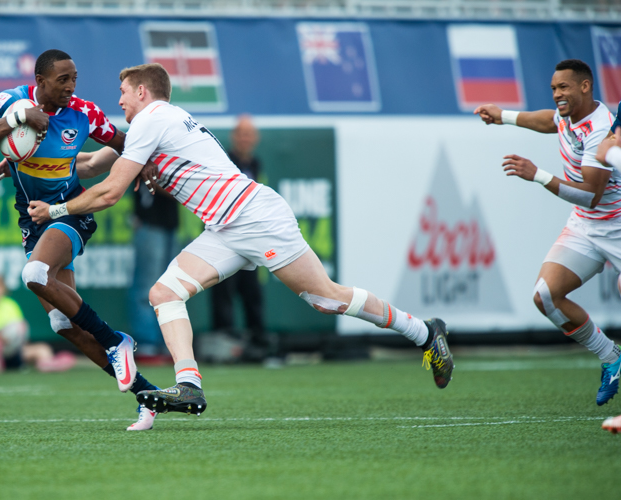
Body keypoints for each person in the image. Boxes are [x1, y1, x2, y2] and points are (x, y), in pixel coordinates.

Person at [27, 63, 453, 416]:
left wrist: (56, 211)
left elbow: (109, 191)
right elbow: (85, 165)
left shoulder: (153, 118)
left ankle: (423, 330)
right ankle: (189, 386)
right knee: (164, 294)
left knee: (326, 299)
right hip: (226, 228)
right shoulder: (152, 124)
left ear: (142, 91)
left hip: (255, 218)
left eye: (122, 92)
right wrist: (22, 162)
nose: (117, 101)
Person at [0, 49, 161, 430]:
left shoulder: (83, 113)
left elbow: (122, 141)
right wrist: (16, 119)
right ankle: (146, 396)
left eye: (74, 79)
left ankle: (116, 341)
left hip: (70, 212)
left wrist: (145, 164)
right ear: (39, 82)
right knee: (64, 324)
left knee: (35, 273)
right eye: (62, 80)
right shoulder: (12, 101)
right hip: (33, 219)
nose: (70, 87)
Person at [475, 59, 621, 406]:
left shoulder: (600, 128)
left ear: (585, 86)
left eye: (564, 88)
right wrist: (504, 116)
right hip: (585, 225)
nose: (557, 94)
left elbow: (590, 193)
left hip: (616, 225)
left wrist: (537, 174)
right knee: (545, 296)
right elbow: (548, 120)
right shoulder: (568, 115)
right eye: (554, 88)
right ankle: (612, 358)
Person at [210, 115, 269, 360]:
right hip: (225, 234)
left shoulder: (256, 163)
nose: (245, 139)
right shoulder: (225, 161)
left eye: (249, 134)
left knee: (251, 289)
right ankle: (225, 340)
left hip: (250, 238)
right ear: (234, 137)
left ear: (255, 139)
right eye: (241, 134)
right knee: (223, 287)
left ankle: (258, 340)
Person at [0, 275, 77, 374]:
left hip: (15, 350)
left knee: (43, 349)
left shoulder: (10, 305)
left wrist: (14, 340)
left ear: (2, 288)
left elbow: (19, 331)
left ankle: (47, 365)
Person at [128, 175, 179, 364]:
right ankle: (146, 344)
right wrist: (183, 189)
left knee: (171, 289)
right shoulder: (144, 152)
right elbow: (166, 186)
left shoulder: (174, 152)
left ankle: (168, 344)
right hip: (149, 223)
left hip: (170, 224)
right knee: (146, 288)